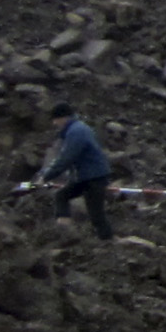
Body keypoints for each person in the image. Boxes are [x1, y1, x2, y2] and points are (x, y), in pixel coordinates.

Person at [42, 103, 113, 240]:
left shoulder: (76, 132)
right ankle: (65, 233)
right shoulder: (77, 129)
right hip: (84, 177)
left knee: (96, 215)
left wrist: (46, 176)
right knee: (61, 196)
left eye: (55, 119)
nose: (54, 123)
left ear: (63, 118)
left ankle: (108, 242)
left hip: (94, 177)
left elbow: (66, 158)